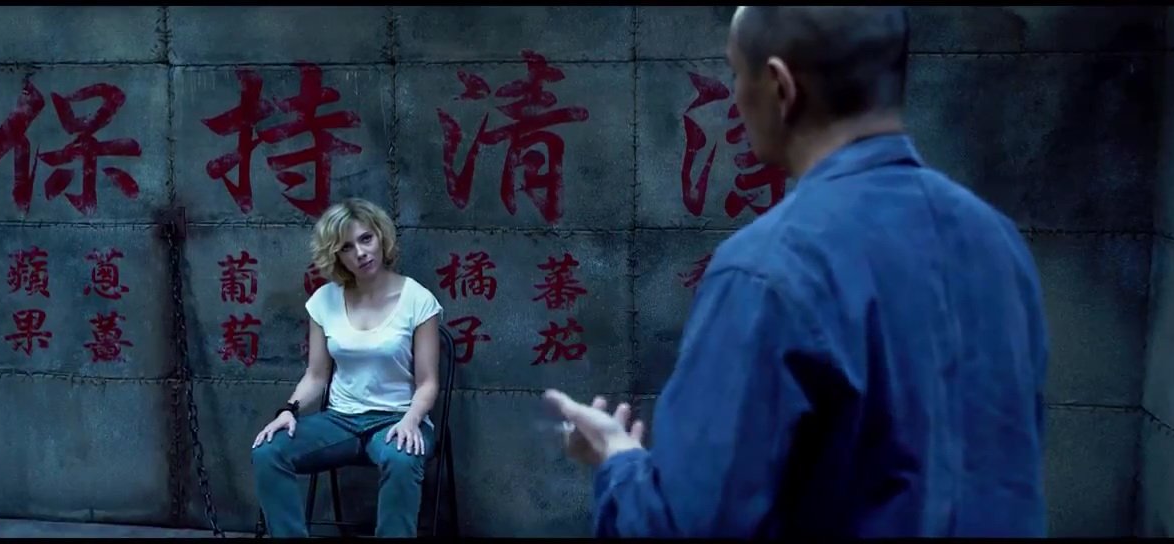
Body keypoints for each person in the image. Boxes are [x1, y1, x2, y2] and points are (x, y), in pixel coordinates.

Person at [544, 6, 1050, 538]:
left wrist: (617, 459)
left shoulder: (767, 270)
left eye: (737, 74)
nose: (735, 96)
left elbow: (688, 526)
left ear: (781, 87)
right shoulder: (998, 244)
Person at [250, 197, 444, 538]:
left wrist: (411, 420)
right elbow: (316, 375)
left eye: (366, 239)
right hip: (340, 421)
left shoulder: (417, 299)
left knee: (402, 457)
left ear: (381, 237)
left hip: (397, 418)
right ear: (336, 256)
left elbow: (428, 382)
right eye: (346, 247)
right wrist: (289, 410)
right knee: (268, 451)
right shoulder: (324, 300)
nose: (361, 253)